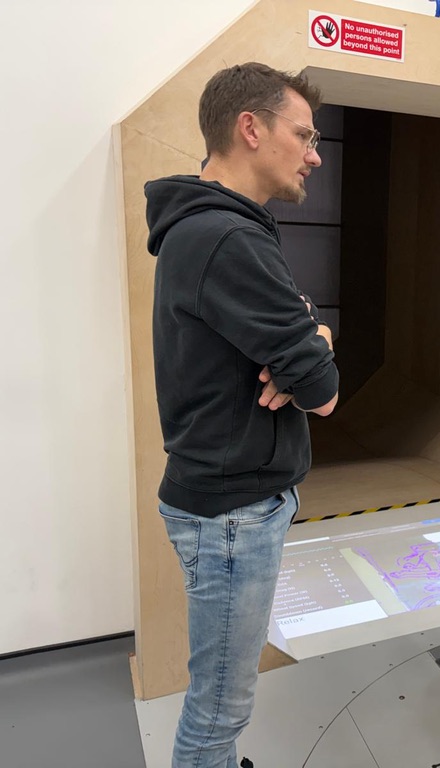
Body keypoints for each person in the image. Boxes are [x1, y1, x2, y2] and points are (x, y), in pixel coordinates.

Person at [145, 62, 339, 768]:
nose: (315, 155)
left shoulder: (217, 229)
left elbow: (305, 341)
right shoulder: (228, 239)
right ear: (250, 128)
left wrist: (313, 338)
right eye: (304, 135)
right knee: (218, 711)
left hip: (228, 507)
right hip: (232, 516)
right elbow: (322, 391)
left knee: (221, 703)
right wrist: (316, 346)